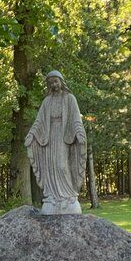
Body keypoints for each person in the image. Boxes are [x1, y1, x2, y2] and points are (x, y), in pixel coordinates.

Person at [25, 71, 87, 214]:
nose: (54, 85)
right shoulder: (47, 101)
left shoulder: (70, 99)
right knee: (50, 166)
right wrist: (32, 134)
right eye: (51, 82)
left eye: (56, 81)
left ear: (61, 82)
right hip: (49, 136)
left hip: (63, 136)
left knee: (61, 165)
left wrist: (79, 132)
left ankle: (68, 197)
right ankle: (52, 198)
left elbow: (76, 119)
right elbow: (39, 121)